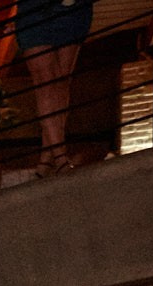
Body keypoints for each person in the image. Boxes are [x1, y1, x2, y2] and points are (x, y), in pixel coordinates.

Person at [12, 0, 94, 173]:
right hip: (35, 11)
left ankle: (47, 157)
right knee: (46, 83)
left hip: (72, 10)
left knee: (62, 83)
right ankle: (60, 157)